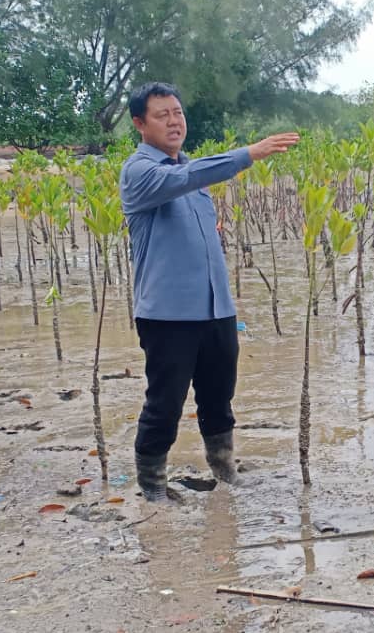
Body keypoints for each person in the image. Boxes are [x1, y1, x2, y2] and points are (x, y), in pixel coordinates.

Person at [120, 81, 299, 501]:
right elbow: (185, 176)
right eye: (162, 115)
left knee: (219, 399)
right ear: (139, 124)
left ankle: (225, 473)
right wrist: (247, 154)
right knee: (164, 403)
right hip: (167, 314)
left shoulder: (191, 177)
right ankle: (152, 488)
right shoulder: (141, 172)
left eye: (178, 112)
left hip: (216, 309)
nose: (174, 121)